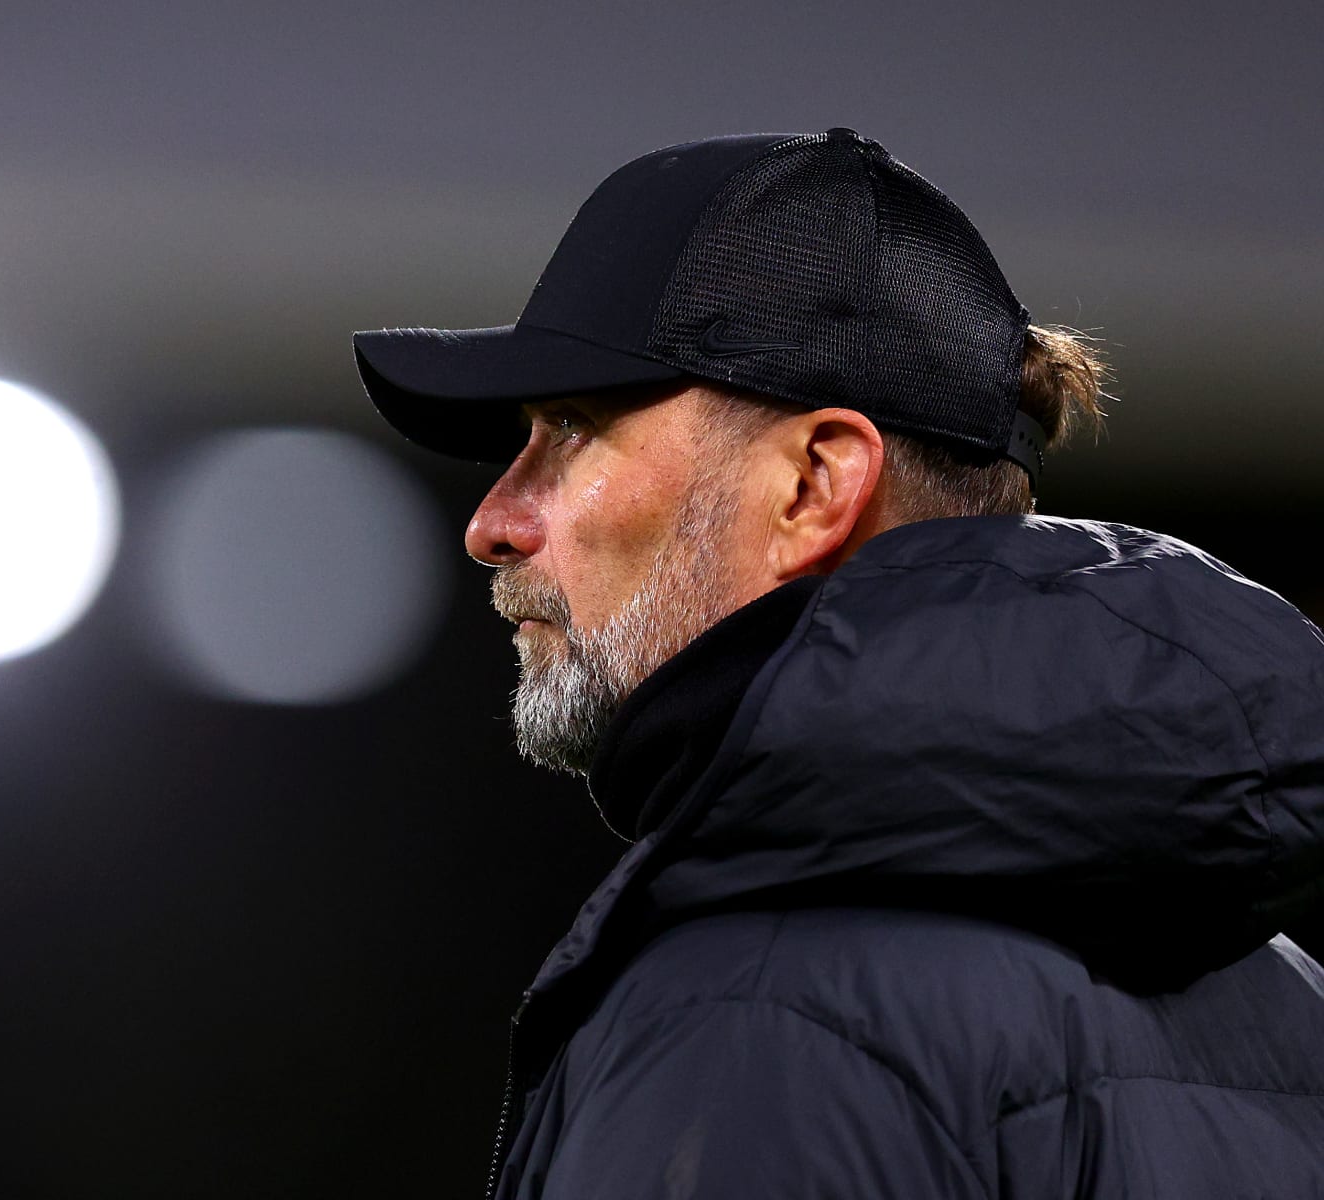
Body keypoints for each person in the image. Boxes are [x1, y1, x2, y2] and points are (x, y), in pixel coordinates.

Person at [352, 130, 1324, 1199]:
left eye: (572, 430)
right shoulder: (1285, 997)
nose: (494, 520)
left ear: (816, 484)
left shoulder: (760, 1005)